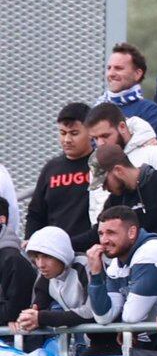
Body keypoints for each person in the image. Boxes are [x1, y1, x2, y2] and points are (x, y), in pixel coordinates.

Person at [84, 205, 157, 334]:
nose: (104, 240)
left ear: (132, 232)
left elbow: (132, 317)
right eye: (101, 234)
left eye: (111, 233)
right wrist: (95, 274)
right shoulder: (116, 264)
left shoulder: (152, 251)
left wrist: (125, 330)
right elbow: (104, 317)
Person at [27, 104, 97, 252]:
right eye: (62, 133)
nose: (67, 139)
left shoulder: (100, 164)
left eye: (74, 133)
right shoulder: (51, 168)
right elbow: (36, 212)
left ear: (91, 132)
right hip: (53, 253)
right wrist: (32, 241)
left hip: (89, 251)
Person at [95, 145, 157, 238]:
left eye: (105, 182)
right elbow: (97, 231)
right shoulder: (114, 201)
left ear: (119, 170)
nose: (104, 188)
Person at [99, 41, 157, 135]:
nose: (111, 74)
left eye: (118, 68)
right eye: (109, 68)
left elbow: (147, 146)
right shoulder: (97, 107)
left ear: (137, 74)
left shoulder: (149, 111)